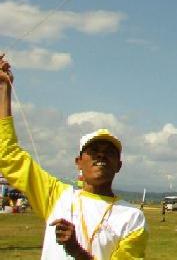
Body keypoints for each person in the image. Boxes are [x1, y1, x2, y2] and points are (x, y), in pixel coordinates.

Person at [0, 55, 147, 259]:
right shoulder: (55, 194)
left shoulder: (133, 217)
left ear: (119, 165)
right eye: (93, 150)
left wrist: (75, 249)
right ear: (78, 162)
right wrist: (3, 89)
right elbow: (8, 155)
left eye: (109, 151)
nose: (101, 154)